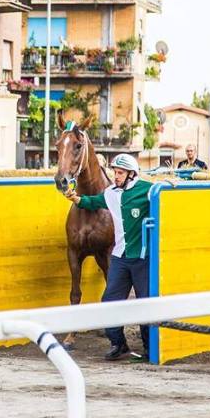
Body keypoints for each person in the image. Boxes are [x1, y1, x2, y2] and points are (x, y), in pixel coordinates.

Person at [64, 154, 152, 360]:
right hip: (120, 257)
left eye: (120, 173)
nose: (116, 176)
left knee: (145, 303)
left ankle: (150, 347)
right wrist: (75, 198)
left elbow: (167, 199)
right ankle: (118, 344)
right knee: (110, 301)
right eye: (115, 172)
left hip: (142, 257)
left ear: (131, 174)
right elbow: (93, 202)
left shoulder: (148, 190)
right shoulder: (111, 193)